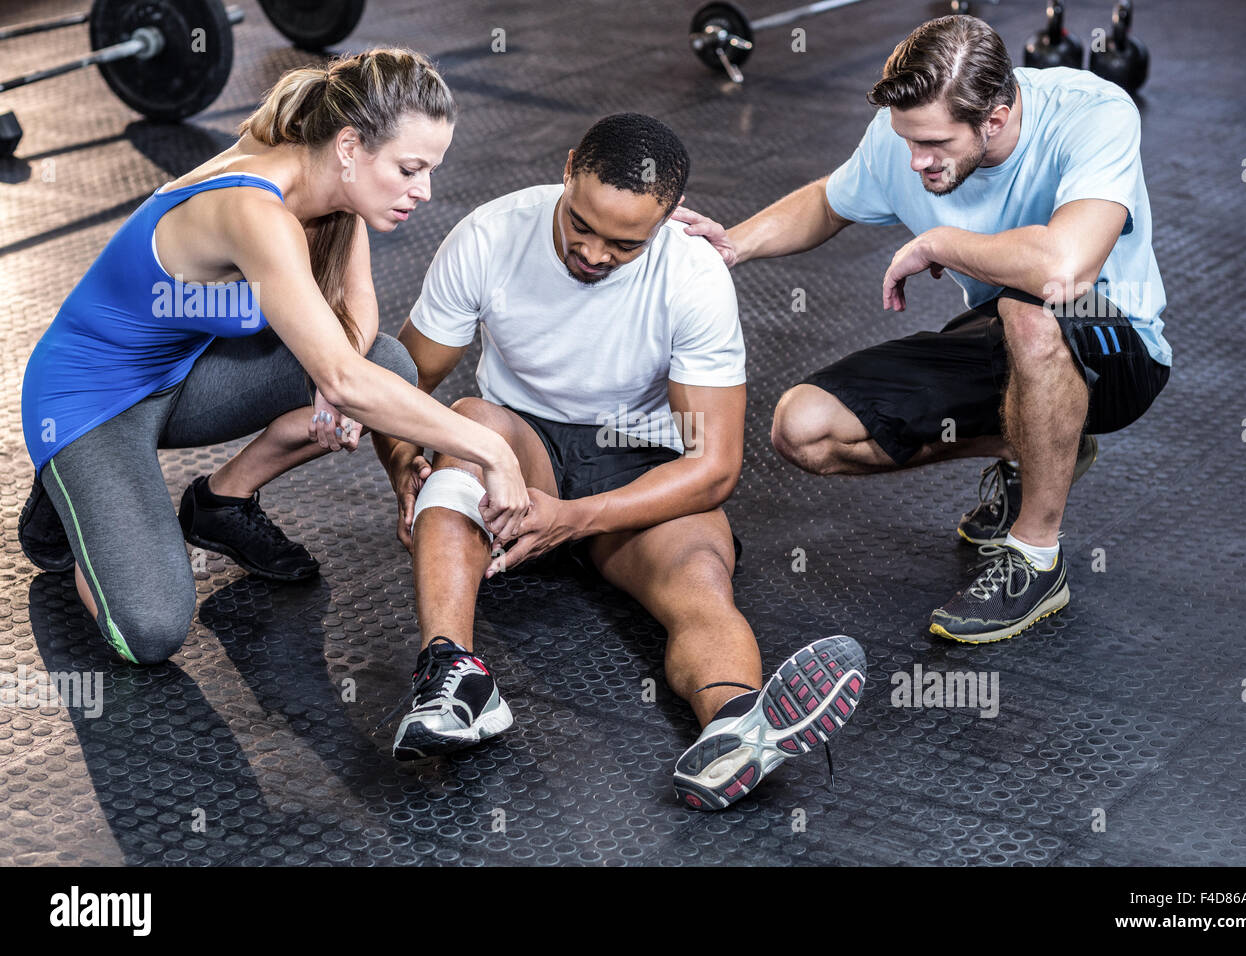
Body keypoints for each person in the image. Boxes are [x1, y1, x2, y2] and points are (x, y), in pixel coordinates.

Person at [371, 112, 867, 810]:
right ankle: (453, 678)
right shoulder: (490, 235)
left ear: (665, 223)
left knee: (699, 580)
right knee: (467, 423)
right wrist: (401, 467)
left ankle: (737, 731)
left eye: (624, 243)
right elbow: (398, 386)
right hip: (521, 450)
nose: (595, 253)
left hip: (638, 461)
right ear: (570, 167)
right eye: (582, 224)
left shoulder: (692, 274)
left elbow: (715, 465)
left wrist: (574, 519)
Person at [18, 49, 529, 667]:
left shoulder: (334, 188)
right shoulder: (253, 209)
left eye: (430, 170)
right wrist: (490, 448)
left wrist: (332, 365)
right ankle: (71, 494)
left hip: (182, 379)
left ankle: (220, 503)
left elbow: (358, 319)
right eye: (411, 169)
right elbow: (345, 375)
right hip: (87, 404)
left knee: (386, 365)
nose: (424, 191)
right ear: (350, 147)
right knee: (149, 631)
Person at [674, 15, 1171, 644]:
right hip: (1008, 335)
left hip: (1113, 342)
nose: (914, 161)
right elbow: (831, 199)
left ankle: (1036, 558)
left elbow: (1065, 269)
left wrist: (941, 241)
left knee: (1033, 308)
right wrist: (733, 246)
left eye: (933, 145)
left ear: (994, 118)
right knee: (804, 429)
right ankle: (1041, 446)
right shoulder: (907, 133)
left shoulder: (1092, 113)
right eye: (906, 141)